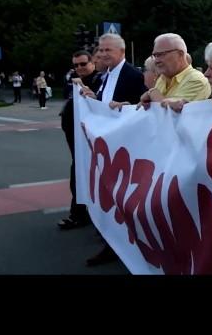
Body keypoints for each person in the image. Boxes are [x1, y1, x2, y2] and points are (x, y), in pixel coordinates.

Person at [79, 33, 147, 266]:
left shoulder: (133, 76)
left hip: (126, 150)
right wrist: (91, 98)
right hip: (106, 149)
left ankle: (123, 246)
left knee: (124, 198)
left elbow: (142, 109)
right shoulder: (102, 78)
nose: (103, 54)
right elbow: (102, 106)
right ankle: (111, 240)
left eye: (108, 50)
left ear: (122, 52)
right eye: (101, 49)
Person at [57, 50, 103, 230]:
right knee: (79, 172)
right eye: (76, 65)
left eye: (83, 64)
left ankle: (80, 214)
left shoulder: (99, 80)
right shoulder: (72, 81)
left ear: (92, 63)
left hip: (89, 135)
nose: (80, 68)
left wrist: (84, 88)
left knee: (82, 173)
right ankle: (82, 212)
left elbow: (100, 102)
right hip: (73, 133)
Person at [137, 33, 211, 112]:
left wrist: (152, 92)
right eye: (155, 55)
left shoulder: (197, 80)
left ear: (180, 54)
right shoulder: (162, 79)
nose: (157, 61)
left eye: (161, 54)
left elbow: (172, 113)